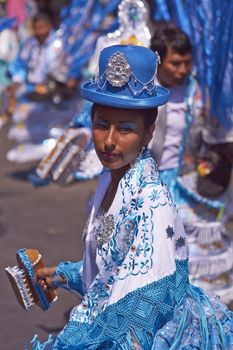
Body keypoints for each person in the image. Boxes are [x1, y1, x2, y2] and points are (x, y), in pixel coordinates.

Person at [29, 45, 233, 349]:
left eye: (125, 129)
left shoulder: (152, 202)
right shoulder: (110, 179)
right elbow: (111, 269)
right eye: (101, 125)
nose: (109, 141)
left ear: (149, 132)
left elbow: (144, 303)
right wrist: (62, 274)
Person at [149, 22, 233, 304]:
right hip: (151, 182)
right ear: (158, 60)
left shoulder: (200, 92)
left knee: (194, 246)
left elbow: (216, 130)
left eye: (187, 62)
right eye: (175, 63)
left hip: (188, 181)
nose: (182, 70)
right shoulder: (143, 90)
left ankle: (200, 313)